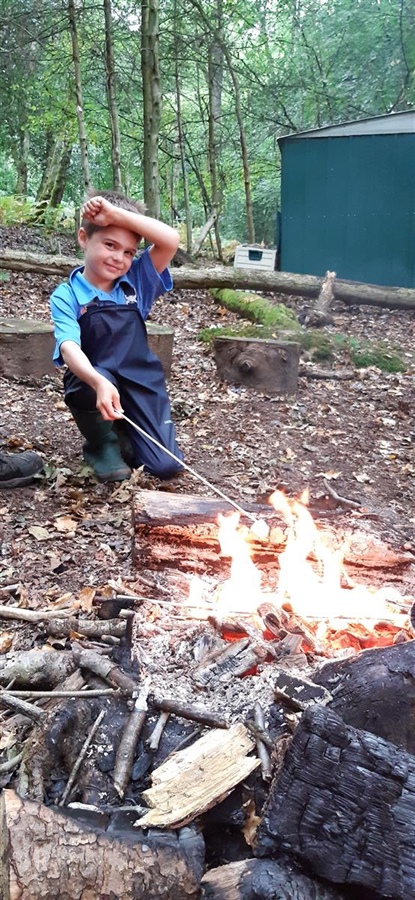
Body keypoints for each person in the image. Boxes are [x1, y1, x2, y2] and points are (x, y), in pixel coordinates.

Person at [50, 190, 183, 483]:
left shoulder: (137, 280)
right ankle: (101, 445)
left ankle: (125, 431)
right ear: (83, 238)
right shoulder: (68, 294)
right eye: (110, 245)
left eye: (127, 252)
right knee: (82, 381)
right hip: (94, 378)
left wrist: (117, 216)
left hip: (140, 380)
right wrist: (98, 381)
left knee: (165, 466)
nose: (119, 258)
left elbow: (170, 240)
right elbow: (69, 345)